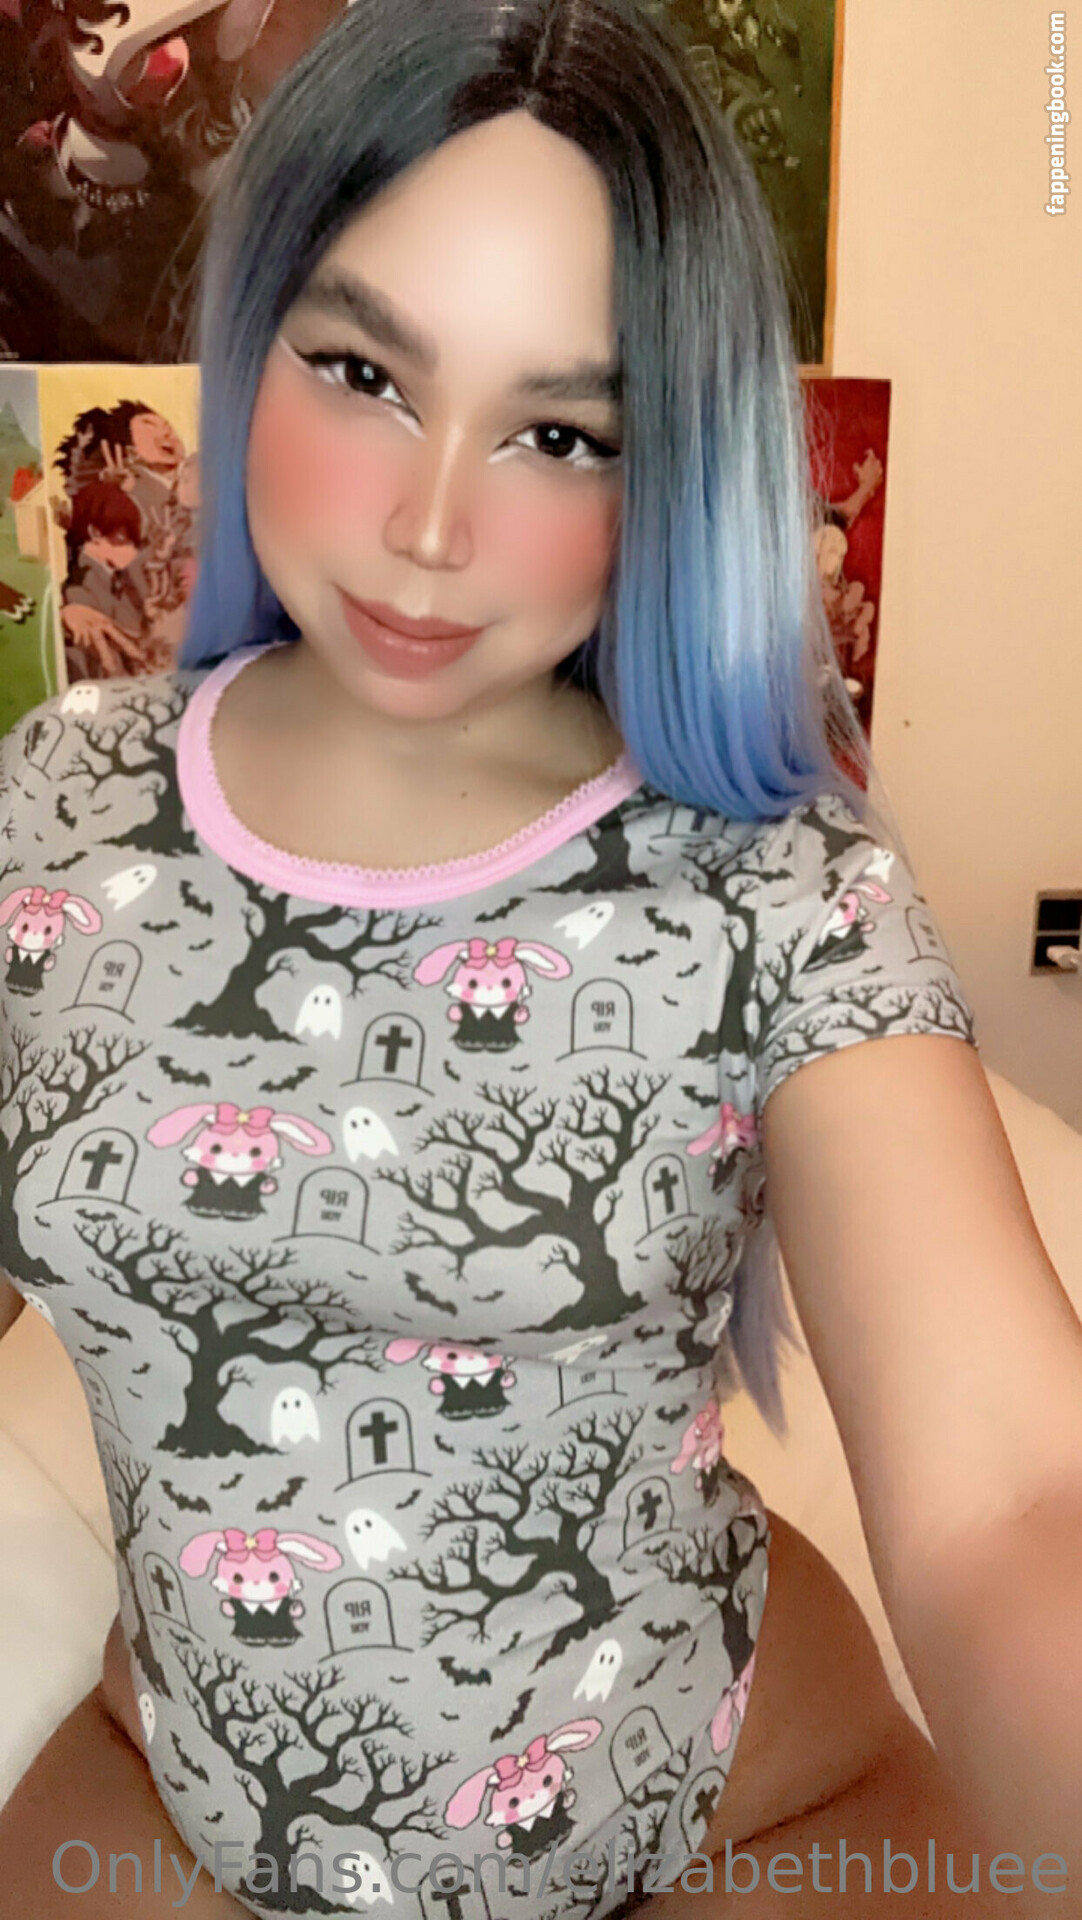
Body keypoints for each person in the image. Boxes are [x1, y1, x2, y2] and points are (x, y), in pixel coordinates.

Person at [1, 3, 1081, 1916]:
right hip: (174, 1803)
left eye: (560, 432)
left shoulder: (776, 882)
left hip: (736, 1811)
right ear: (253, 336)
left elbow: (1010, 1495)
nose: (431, 529)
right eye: (363, 373)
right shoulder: (47, 805)